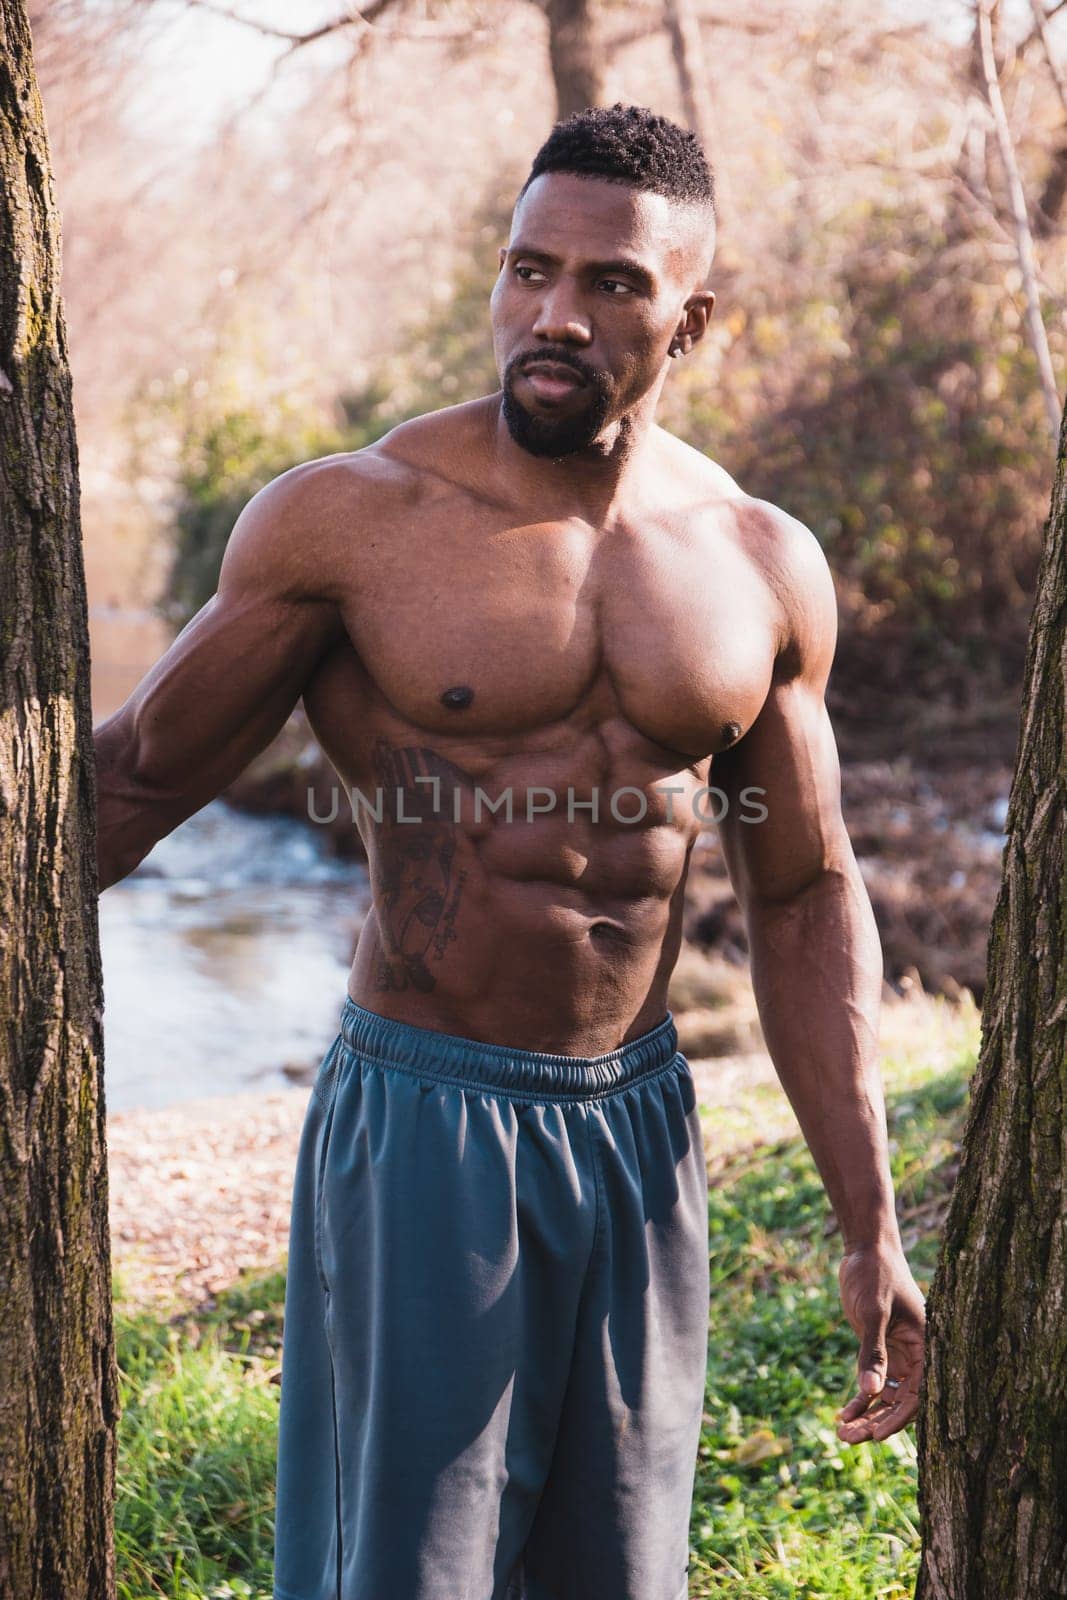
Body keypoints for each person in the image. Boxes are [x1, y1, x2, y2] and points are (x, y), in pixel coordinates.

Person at [95, 104, 926, 1600]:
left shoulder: (757, 561)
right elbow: (132, 784)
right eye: (528, 271)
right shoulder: (355, 522)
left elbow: (802, 891)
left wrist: (870, 1225)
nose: (555, 316)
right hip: (429, 1121)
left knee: (618, 1570)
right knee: (407, 1573)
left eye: (611, 284)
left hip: (639, 1123)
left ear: (693, 320)